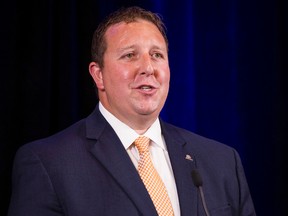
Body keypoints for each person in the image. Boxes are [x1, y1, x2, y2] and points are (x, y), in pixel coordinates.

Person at [8, 6, 256, 216]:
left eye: (157, 55)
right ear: (98, 75)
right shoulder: (48, 164)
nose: (148, 68)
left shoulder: (222, 162)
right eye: (130, 55)